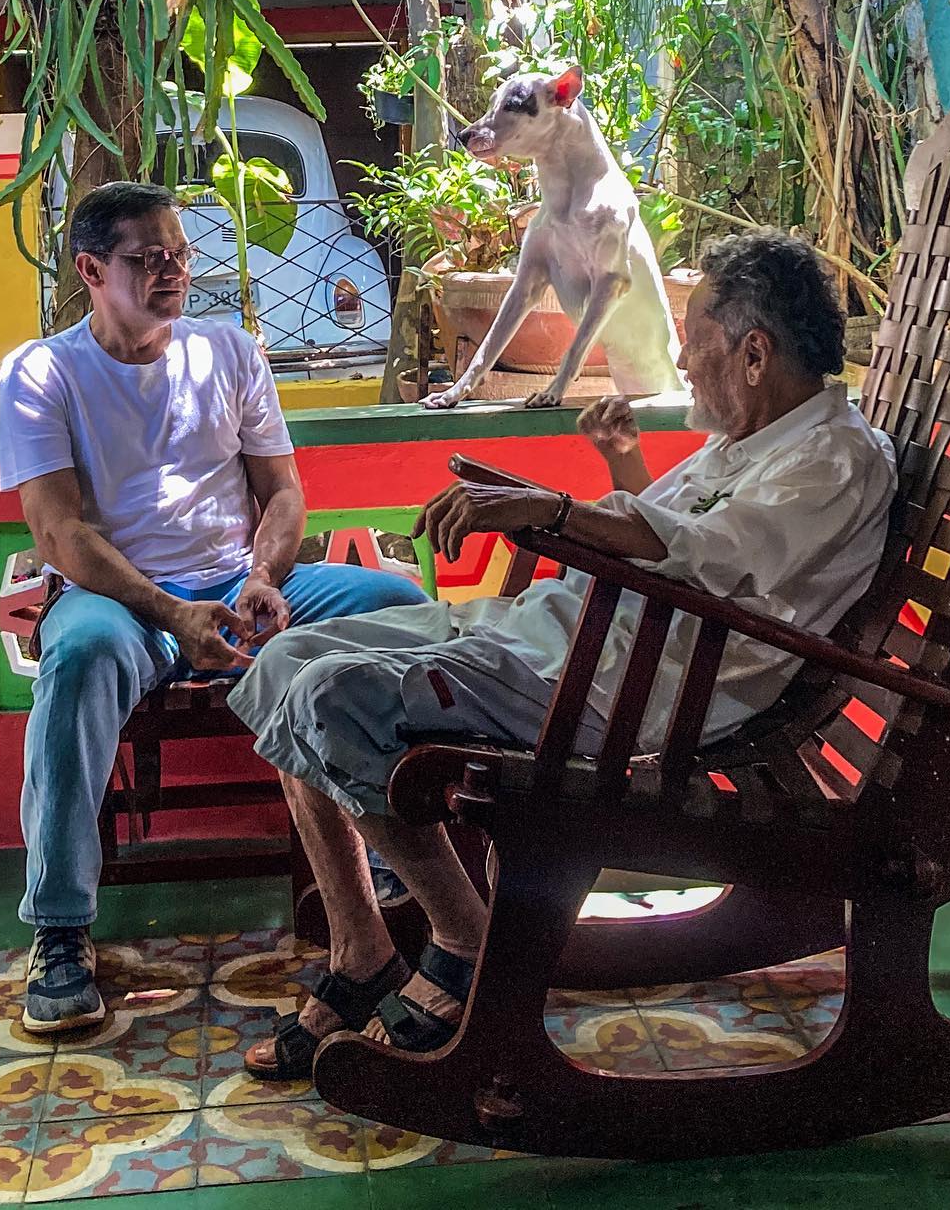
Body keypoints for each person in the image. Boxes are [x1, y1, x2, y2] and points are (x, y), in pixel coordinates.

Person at [231, 228, 898, 1080]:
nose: (683, 361)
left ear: (755, 353)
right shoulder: (747, 444)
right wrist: (546, 499)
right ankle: (362, 949)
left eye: (693, 341)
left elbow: (703, 554)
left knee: (332, 696)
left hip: (623, 690)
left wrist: (546, 510)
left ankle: (465, 937)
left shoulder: (834, 460)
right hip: (564, 637)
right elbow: (672, 536)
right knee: (284, 662)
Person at [0, 180, 433, 1034]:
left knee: (397, 606)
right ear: (90, 269)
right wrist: (170, 612)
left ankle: (396, 856)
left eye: (180, 253)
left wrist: (264, 575)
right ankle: (59, 929)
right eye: (146, 258)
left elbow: (283, 492)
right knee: (77, 658)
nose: (172, 270)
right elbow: (59, 532)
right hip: (120, 600)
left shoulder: (229, 350)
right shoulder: (43, 372)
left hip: (243, 587)